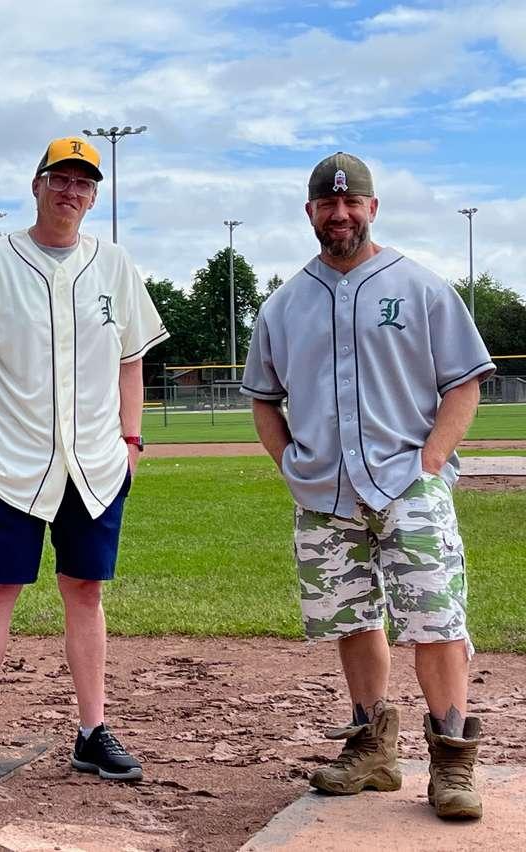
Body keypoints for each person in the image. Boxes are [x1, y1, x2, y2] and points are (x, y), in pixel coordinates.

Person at [242, 152, 495, 820]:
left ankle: (452, 760)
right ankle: (373, 750)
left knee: (435, 620)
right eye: (328, 203)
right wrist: (290, 465)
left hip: (407, 483)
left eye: (352, 202)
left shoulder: (419, 287)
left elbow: (465, 382)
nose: (340, 213)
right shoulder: (285, 304)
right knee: (351, 619)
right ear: (310, 212)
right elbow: (264, 398)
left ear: (372, 208)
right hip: (325, 494)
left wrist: (432, 461)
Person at [0, 136, 168, 789]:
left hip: (95, 461)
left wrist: (132, 442)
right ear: (36, 185)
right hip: (11, 458)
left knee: (85, 591)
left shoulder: (114, 264)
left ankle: (93, 731)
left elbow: (131, 361)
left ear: (93, 196)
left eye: (83, 182)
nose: (71, 191)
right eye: (60, 178)